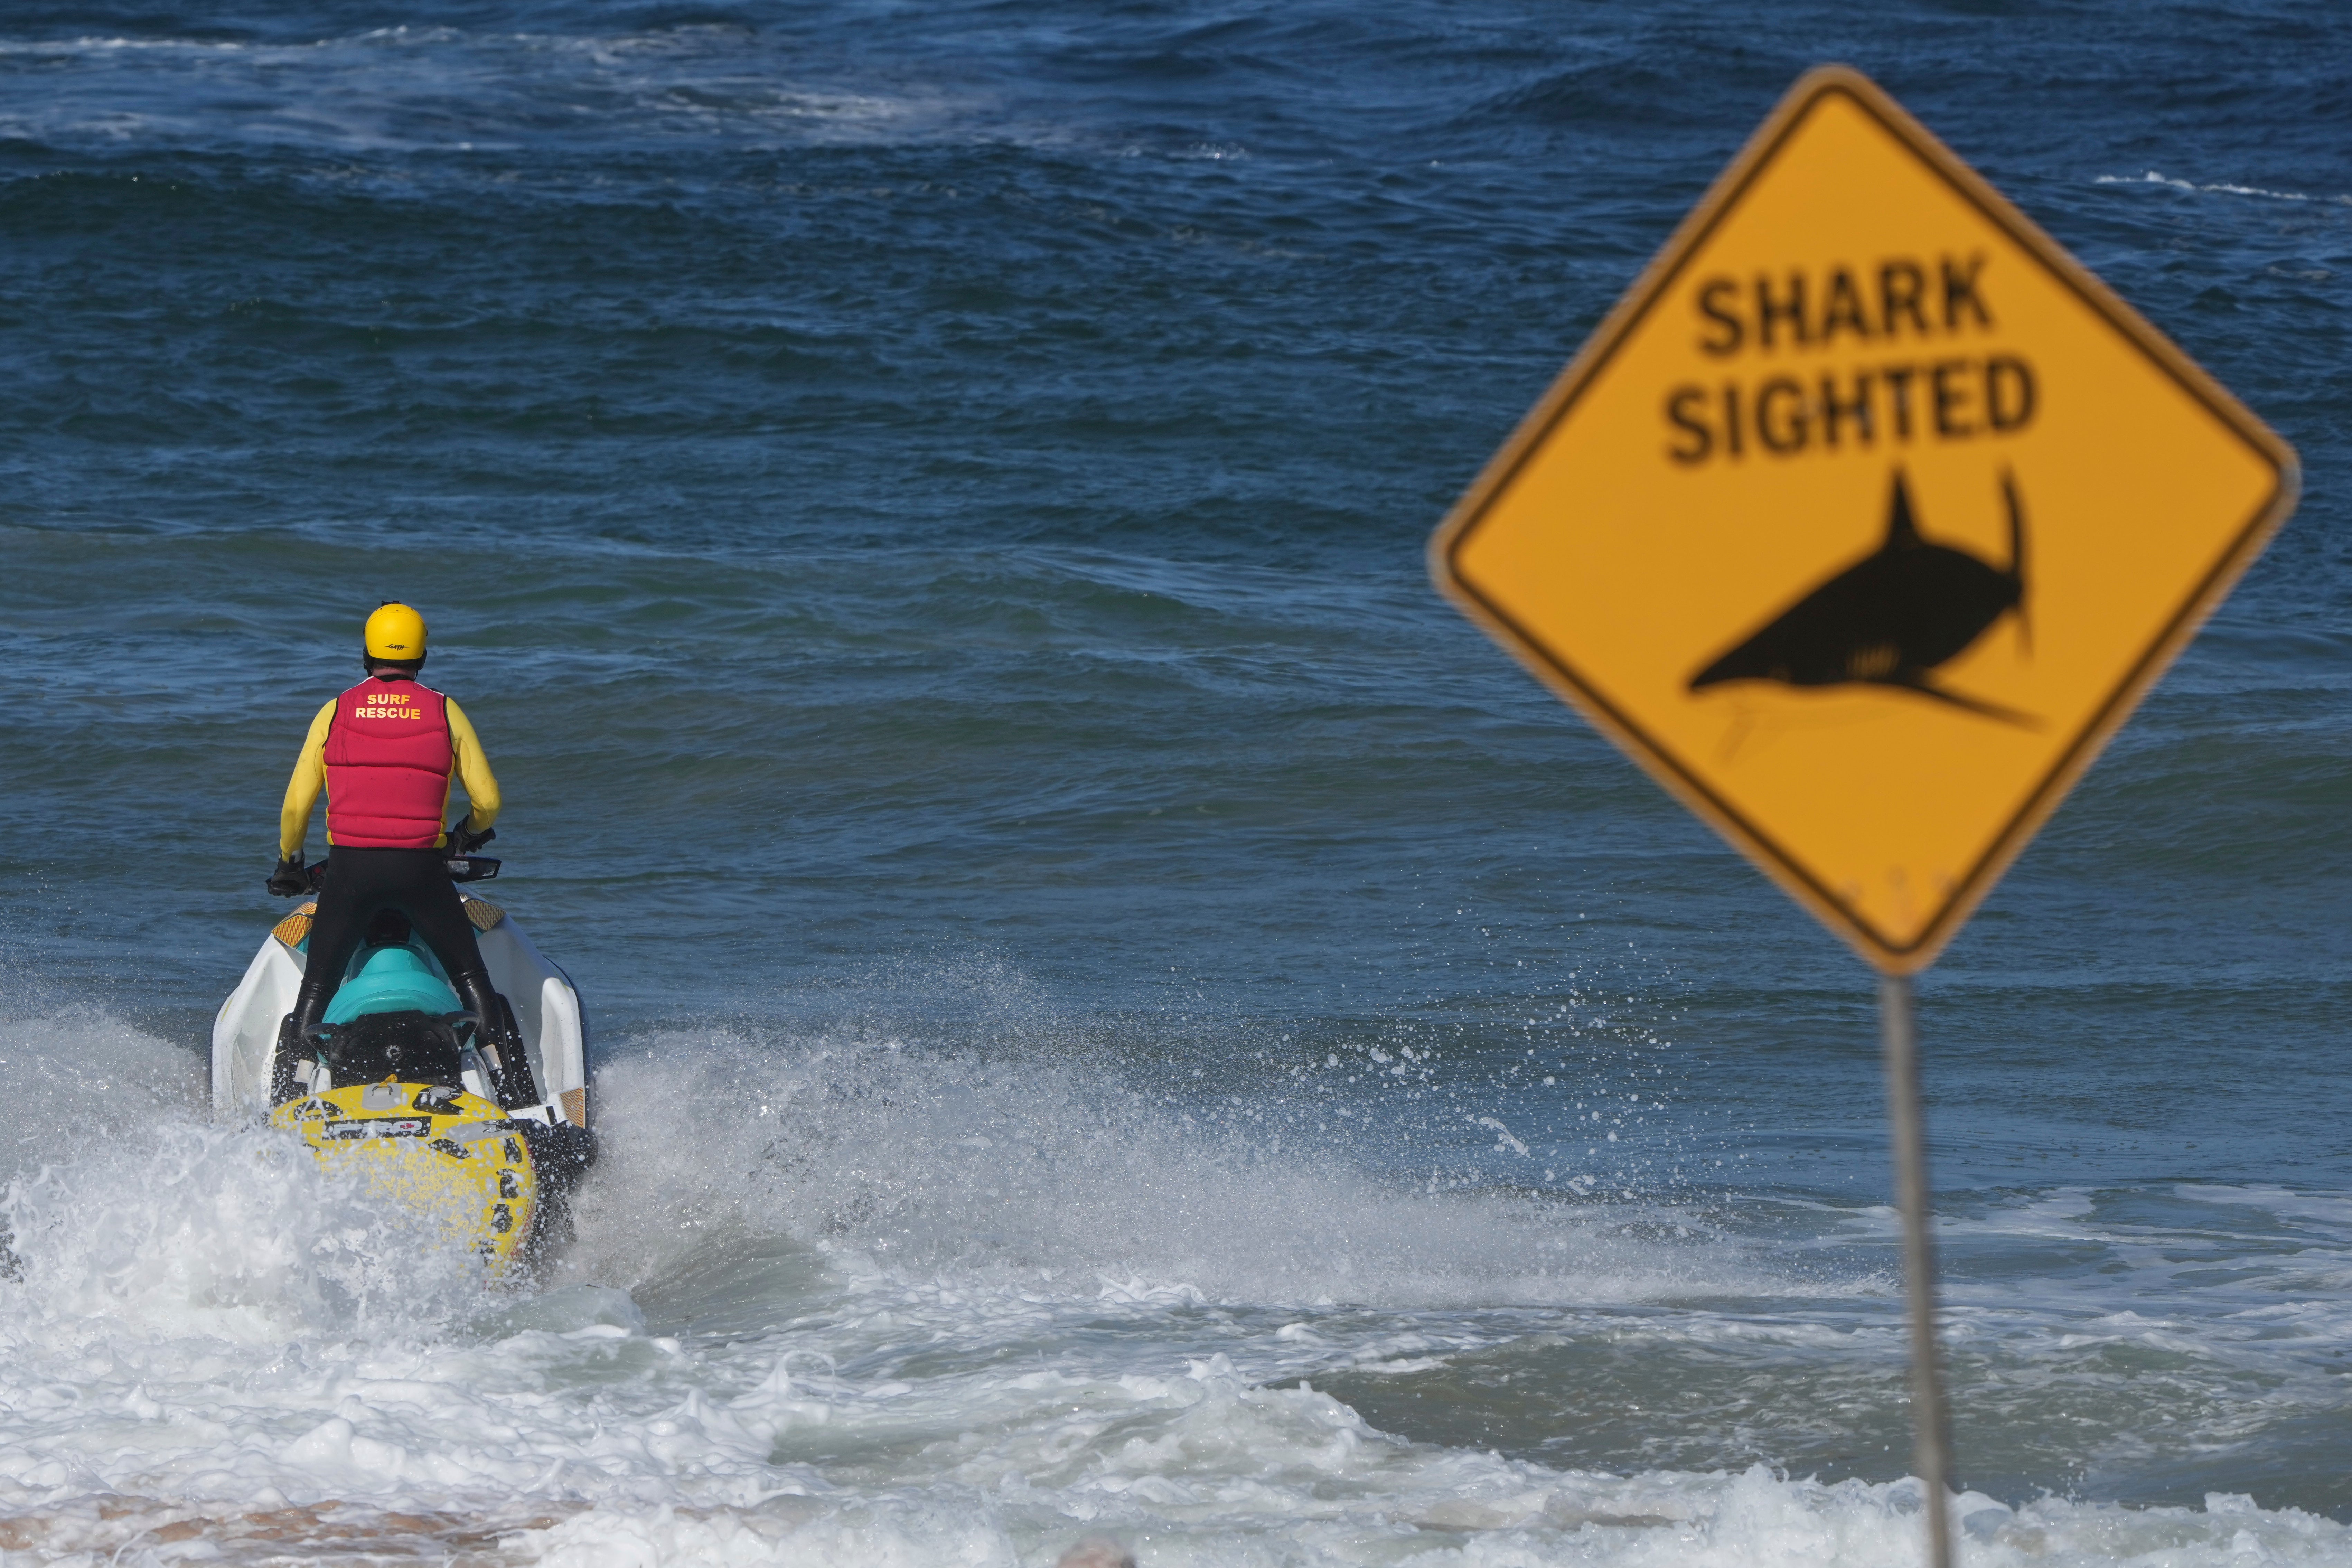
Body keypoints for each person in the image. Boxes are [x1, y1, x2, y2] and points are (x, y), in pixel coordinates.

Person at [266, 602, 528, 1102]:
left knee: (317, 986)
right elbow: (488, 799)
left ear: (366, 654)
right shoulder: (444, 709)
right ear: (422, 656)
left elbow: (296, 804)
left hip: (350, 872)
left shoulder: (337, 709)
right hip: (420, 872)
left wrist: (290, 865)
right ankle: (518, 1098)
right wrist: (466, 834)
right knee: (472, 977)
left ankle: (286, 1101)